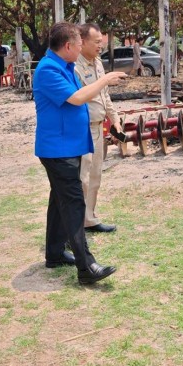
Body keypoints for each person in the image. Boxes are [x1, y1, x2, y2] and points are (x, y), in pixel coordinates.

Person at [33, 22, 126, 285]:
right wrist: (105, 79)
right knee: (74, 203)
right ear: (68, 46)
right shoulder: (49, 69)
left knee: (59, 201)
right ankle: (86, 266)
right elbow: (76, 98)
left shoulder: (64, 65)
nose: (81, 48)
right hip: (58, 149)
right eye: (78, 44)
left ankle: (54, 254)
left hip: (70, 145)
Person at [75, 24, 121, 233]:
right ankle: (75, 225)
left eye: (101, 42)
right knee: (82, 178)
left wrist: (115, 119)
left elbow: (105, 96)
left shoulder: (98, 63)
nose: (100, 46)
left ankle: (89, 219)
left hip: (99, 127)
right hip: (83, 129)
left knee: (95, 177)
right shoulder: (74, 67)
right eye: (96, 42)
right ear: (82, 41)